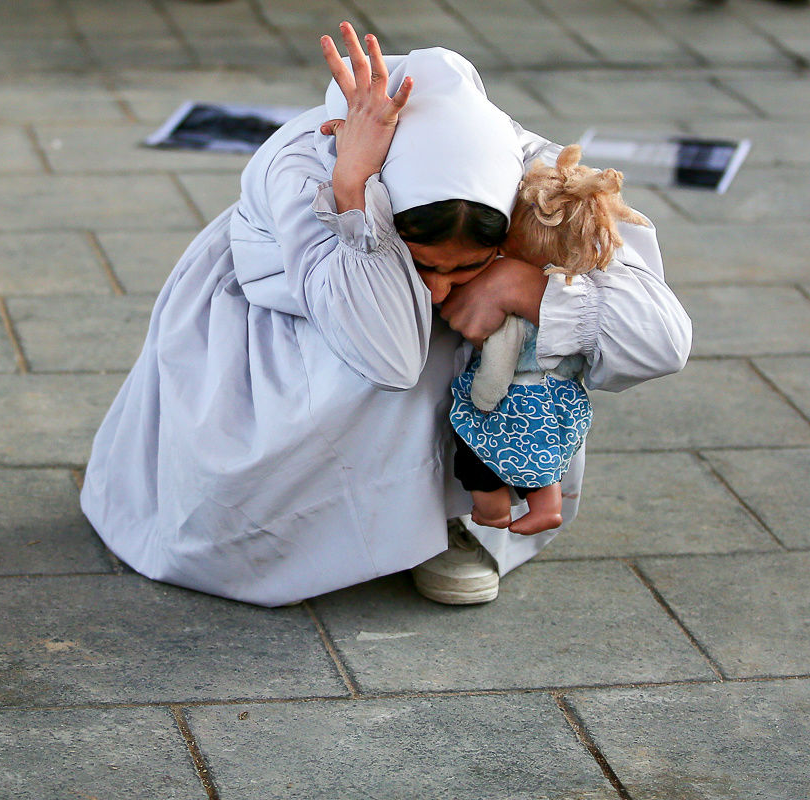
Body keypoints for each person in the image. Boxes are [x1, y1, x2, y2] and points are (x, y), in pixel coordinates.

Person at [80, 23, 691, 607]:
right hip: (296, 333)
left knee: (514, 326)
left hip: (410, 333)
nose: (438, 290)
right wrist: (353, 191)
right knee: (398, 328)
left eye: (466, 265)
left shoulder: (533, 176)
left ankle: (446, 516)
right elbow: (388, 357)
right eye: (425, 264)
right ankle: (315, 525)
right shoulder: (300, 167)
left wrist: (524, 284)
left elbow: (662, 342)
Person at [439, 144, 651, 541]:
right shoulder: (575, 293)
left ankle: (491, 511)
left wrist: (482, 398)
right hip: (562, 398)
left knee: (477, 456)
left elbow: (499, 363)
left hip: (516, 398)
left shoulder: (514, 311)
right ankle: (548, 508)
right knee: (545, 456)